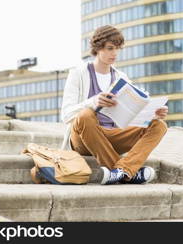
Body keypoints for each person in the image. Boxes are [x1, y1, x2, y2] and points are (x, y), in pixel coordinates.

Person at [60, 25, 168, 185]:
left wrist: (153, 114)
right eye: (110, 48)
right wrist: (94, 101)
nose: (115, 53)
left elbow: (131, 114)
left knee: (159, 126)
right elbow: (66, 115)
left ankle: (120, 171)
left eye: (117, 49)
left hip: (113, 134)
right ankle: (130, 173)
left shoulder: (121, 77)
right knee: (86, 115)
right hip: (83, 137)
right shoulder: (78, 73)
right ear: (97, 48)